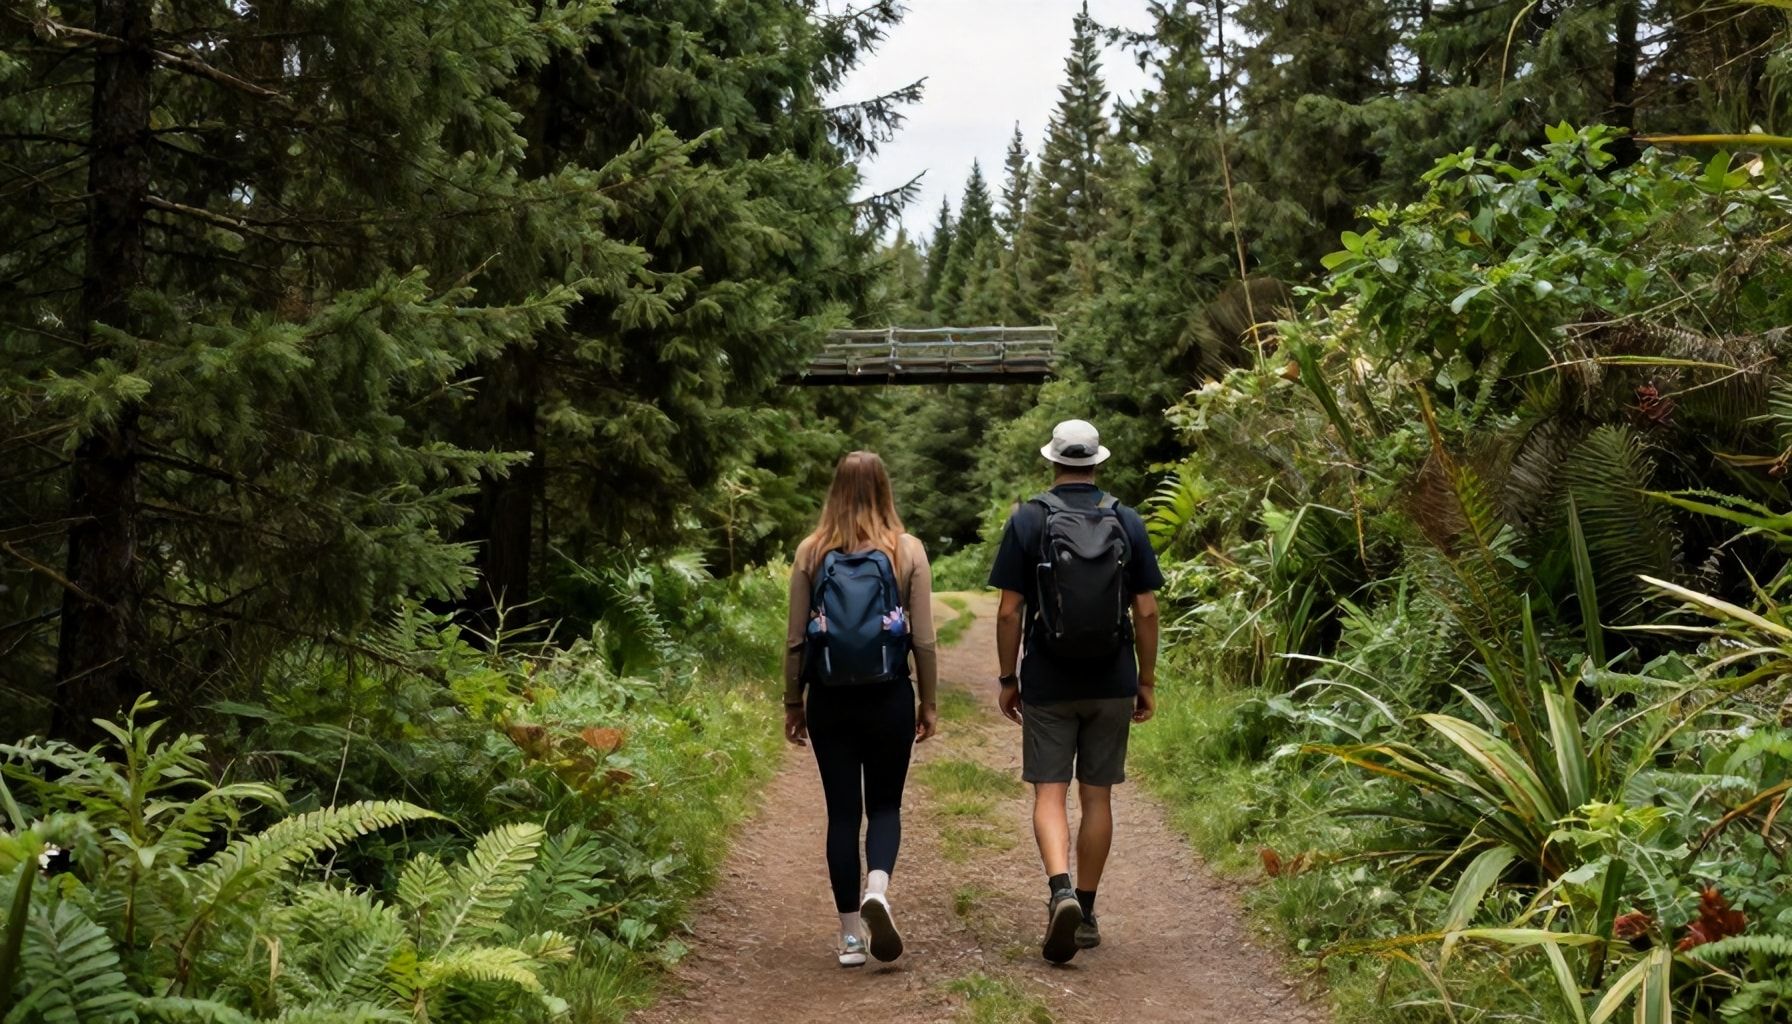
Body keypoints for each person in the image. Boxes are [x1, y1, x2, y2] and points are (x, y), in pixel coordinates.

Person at [987, 419, 1163, 964]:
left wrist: (1009, 678)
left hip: (1049, 677)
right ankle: (1085, 909)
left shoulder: (1028, 519)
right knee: (1097, 796)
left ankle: (1059, 888)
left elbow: (1010, 610)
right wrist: (1145, 680)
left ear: (1053, 460)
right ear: (1097, 462)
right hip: (1112, 679)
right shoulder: (1126, 519)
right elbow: (1147, 611)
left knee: (1049, 792)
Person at [784, 451, 940, 968]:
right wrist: (928, 702)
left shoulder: (811, 551)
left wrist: (793, 702)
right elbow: (924, 640)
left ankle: (851, 937)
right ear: (884, 488)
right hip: (889, 695)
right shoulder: (906, 550)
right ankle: (877, 888)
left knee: (843, 813)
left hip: (829, 699)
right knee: (886, 806)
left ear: (835, 490)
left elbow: (795, 640)